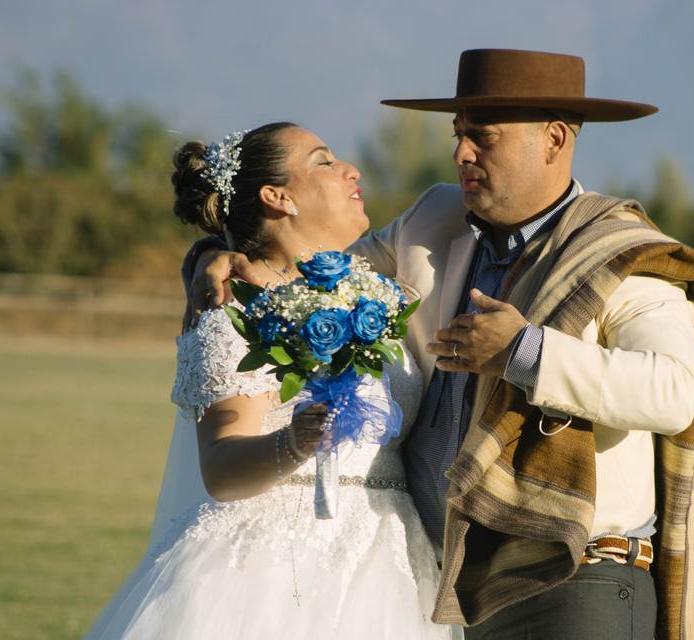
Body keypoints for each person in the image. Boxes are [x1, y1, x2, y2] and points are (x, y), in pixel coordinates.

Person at [191, 49, 694, 640]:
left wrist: (523, 352)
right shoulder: (433, 219)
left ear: (553, 139)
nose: (461, 154)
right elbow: (308, 273)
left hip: (577, 582)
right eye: (458, 135)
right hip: (447, 587)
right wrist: (213, 255)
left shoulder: (622, 255)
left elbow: (675, 390)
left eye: (484, 137)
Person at [86, 122, 459, 639]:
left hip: (391, 558)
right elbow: (221, 469)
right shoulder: (228, 309)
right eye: (324, 161)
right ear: (277, 196)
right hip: (273, 569)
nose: (351, 170)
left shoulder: (378, 290)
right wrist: (294, 441)